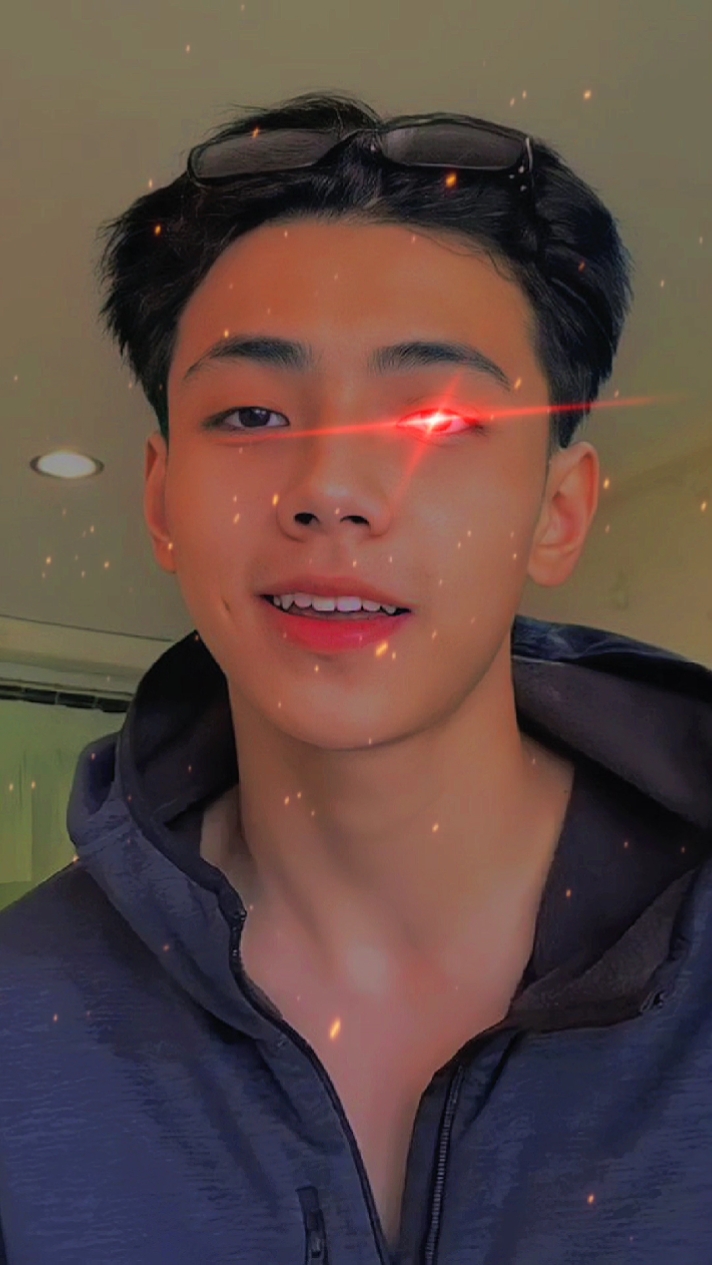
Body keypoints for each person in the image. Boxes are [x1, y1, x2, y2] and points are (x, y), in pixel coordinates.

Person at [1, 90, 711, 1265]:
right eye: (250, 413)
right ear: (162, 500)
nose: (328, 487)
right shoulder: (24, 1017)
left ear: (557, 509)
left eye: (431, 420)